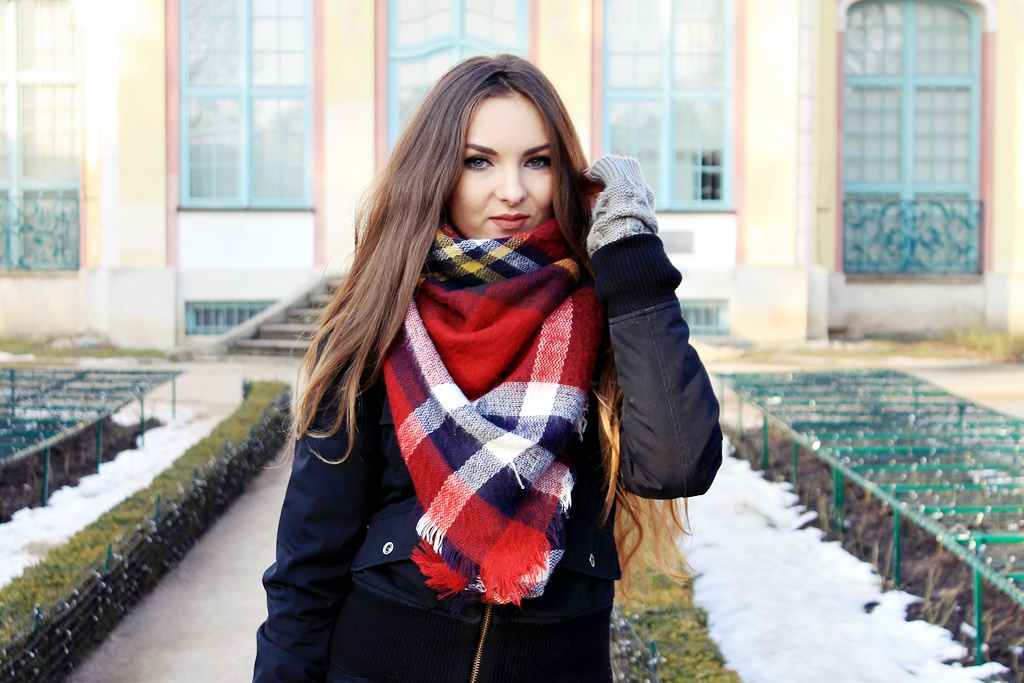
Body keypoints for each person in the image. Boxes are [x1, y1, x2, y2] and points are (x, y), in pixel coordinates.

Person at [254, 53, 722, 683]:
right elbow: (307, 564)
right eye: (479, 161)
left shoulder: (608, 314)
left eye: (538, 161)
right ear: (437, 173)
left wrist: (634, 259)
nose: (513, 190)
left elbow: (677, 464)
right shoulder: (376, 325)